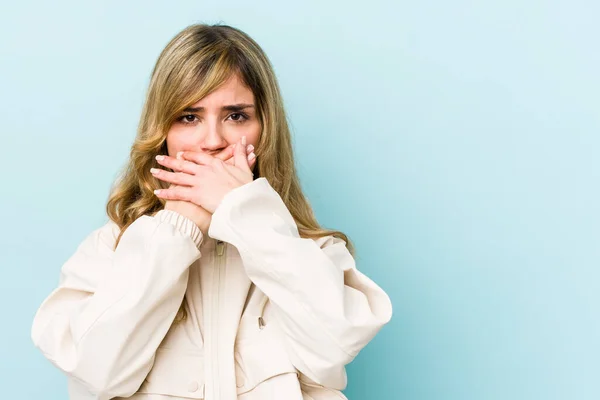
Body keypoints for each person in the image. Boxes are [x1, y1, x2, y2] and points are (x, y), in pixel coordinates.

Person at [31, 23, 393, 400]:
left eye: (236, 115)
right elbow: (95, 375)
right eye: (189, 117)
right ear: (162, 132)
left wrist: (243, 214)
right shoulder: (112, 247)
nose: (213, 141)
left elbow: (336, 343)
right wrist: (178, 227)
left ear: (265, 129)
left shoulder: (309, 250)